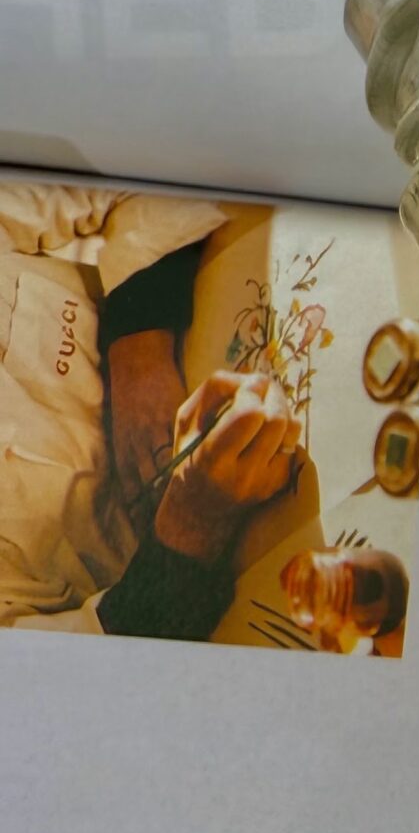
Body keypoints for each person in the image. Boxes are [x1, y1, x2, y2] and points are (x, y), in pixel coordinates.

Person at [0, 183, 302, 637]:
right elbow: (110, 660)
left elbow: (139, 174)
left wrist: (137, 341)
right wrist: (194, 522)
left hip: (232, 298)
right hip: (239, 583)